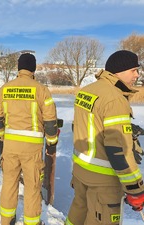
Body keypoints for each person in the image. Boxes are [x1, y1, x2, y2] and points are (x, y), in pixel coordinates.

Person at [66, 50, 144, 225]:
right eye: (133, 70)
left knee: (77, 214)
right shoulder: (115, 99)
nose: (137, 75)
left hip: (81, 171)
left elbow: (85, 126)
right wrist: (135, 189)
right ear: (119, 70)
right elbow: (118, 151)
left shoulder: (87, 91)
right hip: (103, 182)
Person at [0, 53, 58, 225]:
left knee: (9, 183)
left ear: (18, 68)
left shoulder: (5, 88)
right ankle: (31, 222)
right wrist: (51, 142)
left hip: (10, 146)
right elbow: (51, 122)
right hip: (32, 149)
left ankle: (6, 220)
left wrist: (2, 135)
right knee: (32, 186)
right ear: (33, 68)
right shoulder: (42, 90)